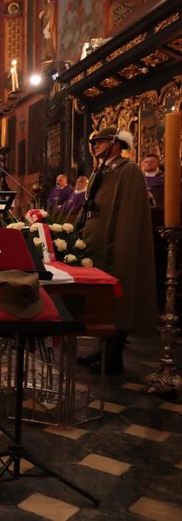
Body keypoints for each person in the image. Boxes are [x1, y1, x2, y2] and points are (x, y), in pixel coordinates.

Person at [78, 127, 156, 373]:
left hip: (117, 241)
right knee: (103, 299)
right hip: (98, 241)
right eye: (94, 142)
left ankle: (114, 354)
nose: (95, 145)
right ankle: (103, 348)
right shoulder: (101, 170)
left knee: (119, 295)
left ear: (115, 143)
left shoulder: (128, 169)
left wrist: (121, 242)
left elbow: (130, 212)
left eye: (100, 141)